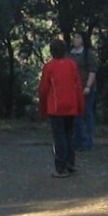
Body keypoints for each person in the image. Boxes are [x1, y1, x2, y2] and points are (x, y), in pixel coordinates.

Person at [38, 38, 85, 177]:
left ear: (52, 52)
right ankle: (70, 163)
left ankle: (61, 167)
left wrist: (42, 108)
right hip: (71, 106)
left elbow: (43, 89)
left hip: (56, 107)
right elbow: (78, 87)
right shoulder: (72, 65)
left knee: (59, 138)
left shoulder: (49, 67)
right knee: (69, 135)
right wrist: (80, 106)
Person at [69, 31, 99, 151]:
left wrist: (88, 86)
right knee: (76, 116)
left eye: (77, 37)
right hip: (73, 89)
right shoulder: (69, 54)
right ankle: (77, 140)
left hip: (86, 88)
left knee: (87, 113)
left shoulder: (88, 54)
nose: (75, 39)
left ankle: (88, 140)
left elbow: (93, 71)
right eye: (74, 37)